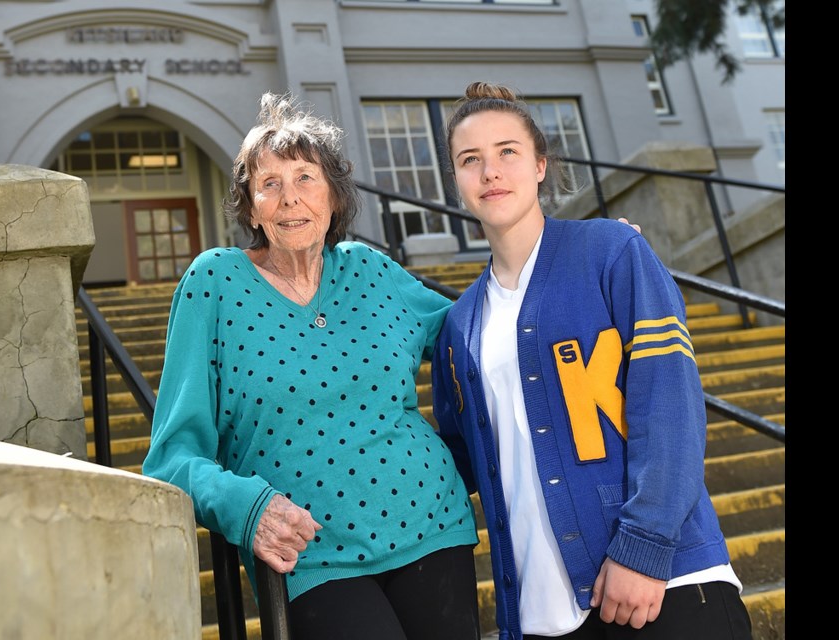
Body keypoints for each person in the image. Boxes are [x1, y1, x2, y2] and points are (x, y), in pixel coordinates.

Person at [141, 91, 483, 640]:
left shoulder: (370, 269)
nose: (289, 198)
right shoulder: (215, 283)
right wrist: (242, 506)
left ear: (334, 198)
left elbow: (477, 334)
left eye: (305, 178)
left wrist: (572, 259)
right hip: (309, 553)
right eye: (269, 184)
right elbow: (171, 458)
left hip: (432, 522)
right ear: (251, 207)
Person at [430, 82, 754, 640]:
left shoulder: (611, 252)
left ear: (539, 165)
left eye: (508, 151)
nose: (490, 172)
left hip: (665, 587)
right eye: (470, 160)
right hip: (541, 614)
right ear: (456, 181)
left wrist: (643, 548)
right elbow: (458, 460)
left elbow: (670, 403)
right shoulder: (458, 325)